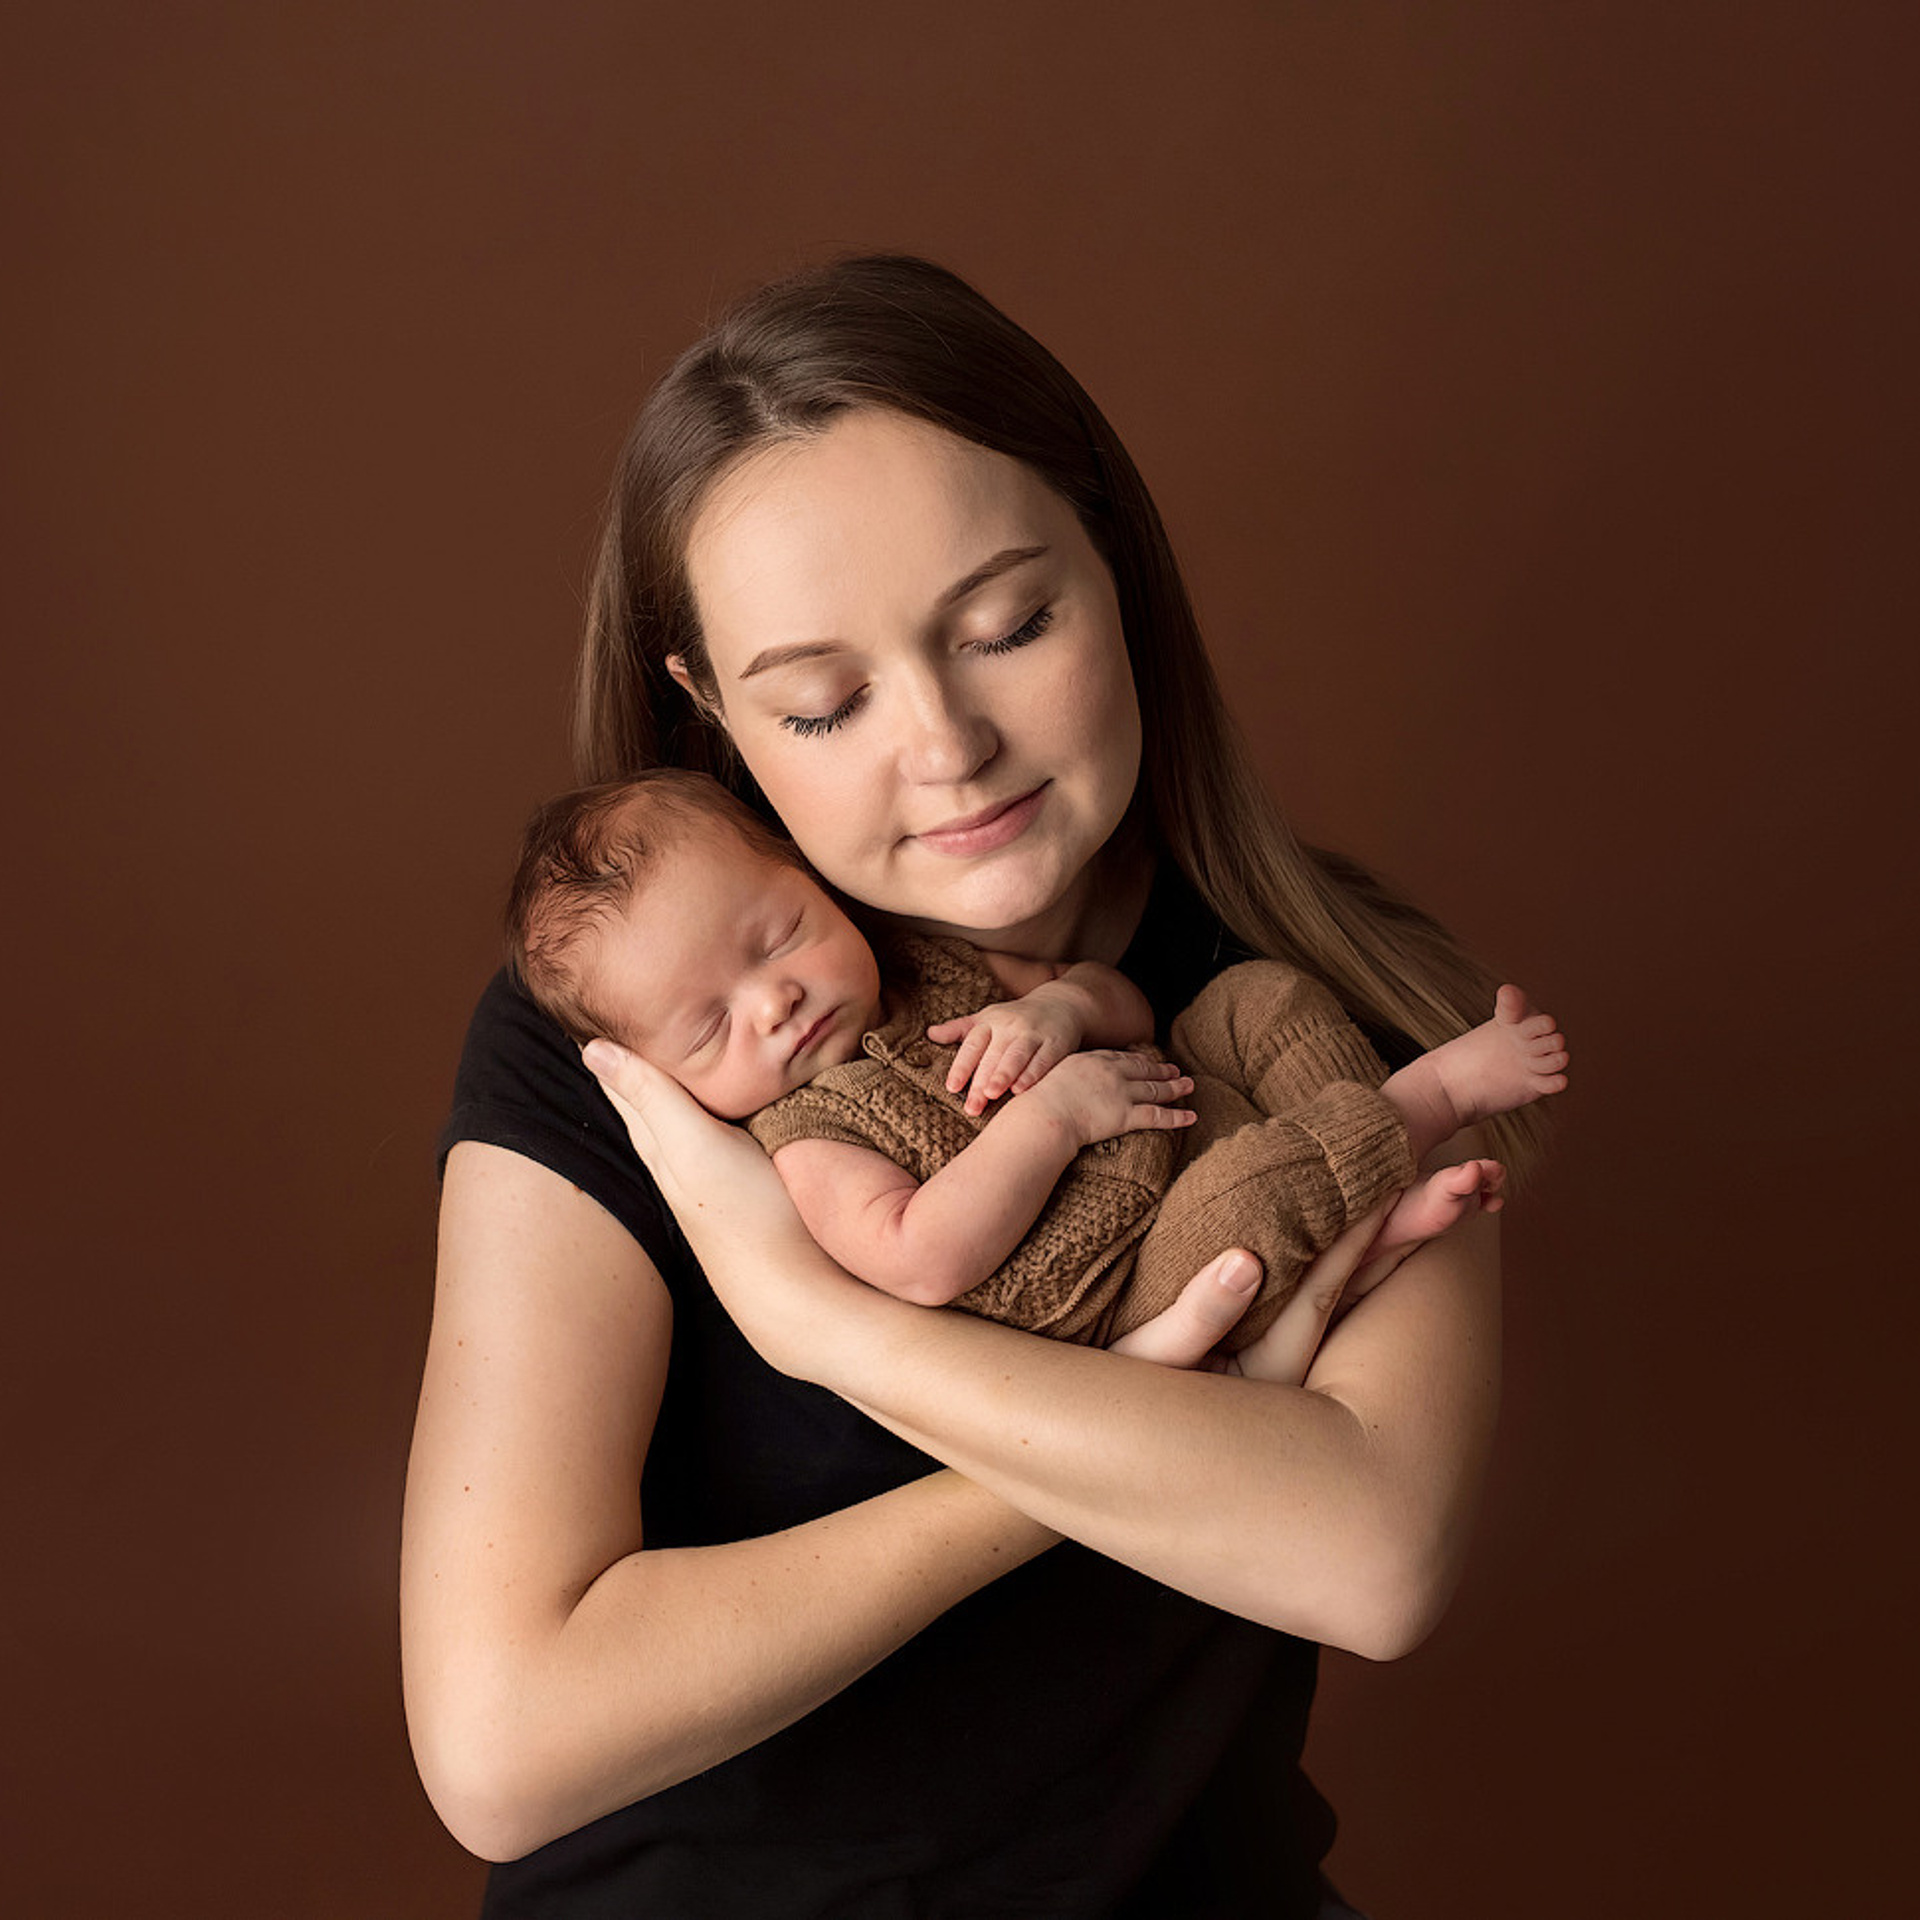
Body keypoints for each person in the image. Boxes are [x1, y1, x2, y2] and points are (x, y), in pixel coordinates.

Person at [402, 254, 1553, 1919]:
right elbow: (505, 1744)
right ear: (716, 713)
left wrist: (832, 1328)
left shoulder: (1326, 1001)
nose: (945, 745)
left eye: (1010, 622)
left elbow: (1368, 1556)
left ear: (1115, 570)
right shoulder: (644, 1045)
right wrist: (1158, 1411)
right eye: (825, 699)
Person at [504, 767, 1569, 1352]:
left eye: (778, 936)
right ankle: (1425, 1103)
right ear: (664, 1079)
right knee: (1253, 1196)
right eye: (710, 1029)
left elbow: (1126, 1003)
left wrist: (1060, 1007)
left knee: (1256, 999)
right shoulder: (802, 1143)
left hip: (1185, 1096)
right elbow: (921, 1254)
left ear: (809, 875)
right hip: (1125, 1279)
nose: (774, 1001)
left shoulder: (920, 967)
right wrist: (1052, 1115)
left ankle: (1358, 1224)